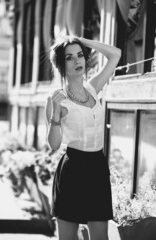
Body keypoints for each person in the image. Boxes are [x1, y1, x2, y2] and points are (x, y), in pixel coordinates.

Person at [45, 35, 121, 240]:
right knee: (69, 238)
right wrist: (55, 115)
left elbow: (116, 54)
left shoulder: (93, 88)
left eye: (80, 55)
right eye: (69, 57)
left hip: (97, 166)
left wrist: (80, 40)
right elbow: (53, 144)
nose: (77, 60)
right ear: (61, 64)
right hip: (73, 169)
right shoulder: (57, 98)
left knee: (100, 237)